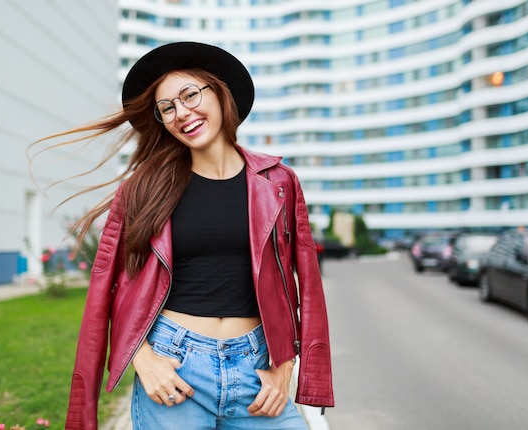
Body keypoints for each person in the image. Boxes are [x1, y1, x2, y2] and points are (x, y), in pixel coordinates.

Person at [35, 41, 334, 430]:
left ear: (220, 93)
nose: (182, 113)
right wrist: (142, 358)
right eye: (167, 108)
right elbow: (113, 287)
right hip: (175, 370)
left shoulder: (278, 182)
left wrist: (286, 366)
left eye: (190, 95)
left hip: (257, 371)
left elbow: (305, 284)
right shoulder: (144, 189)